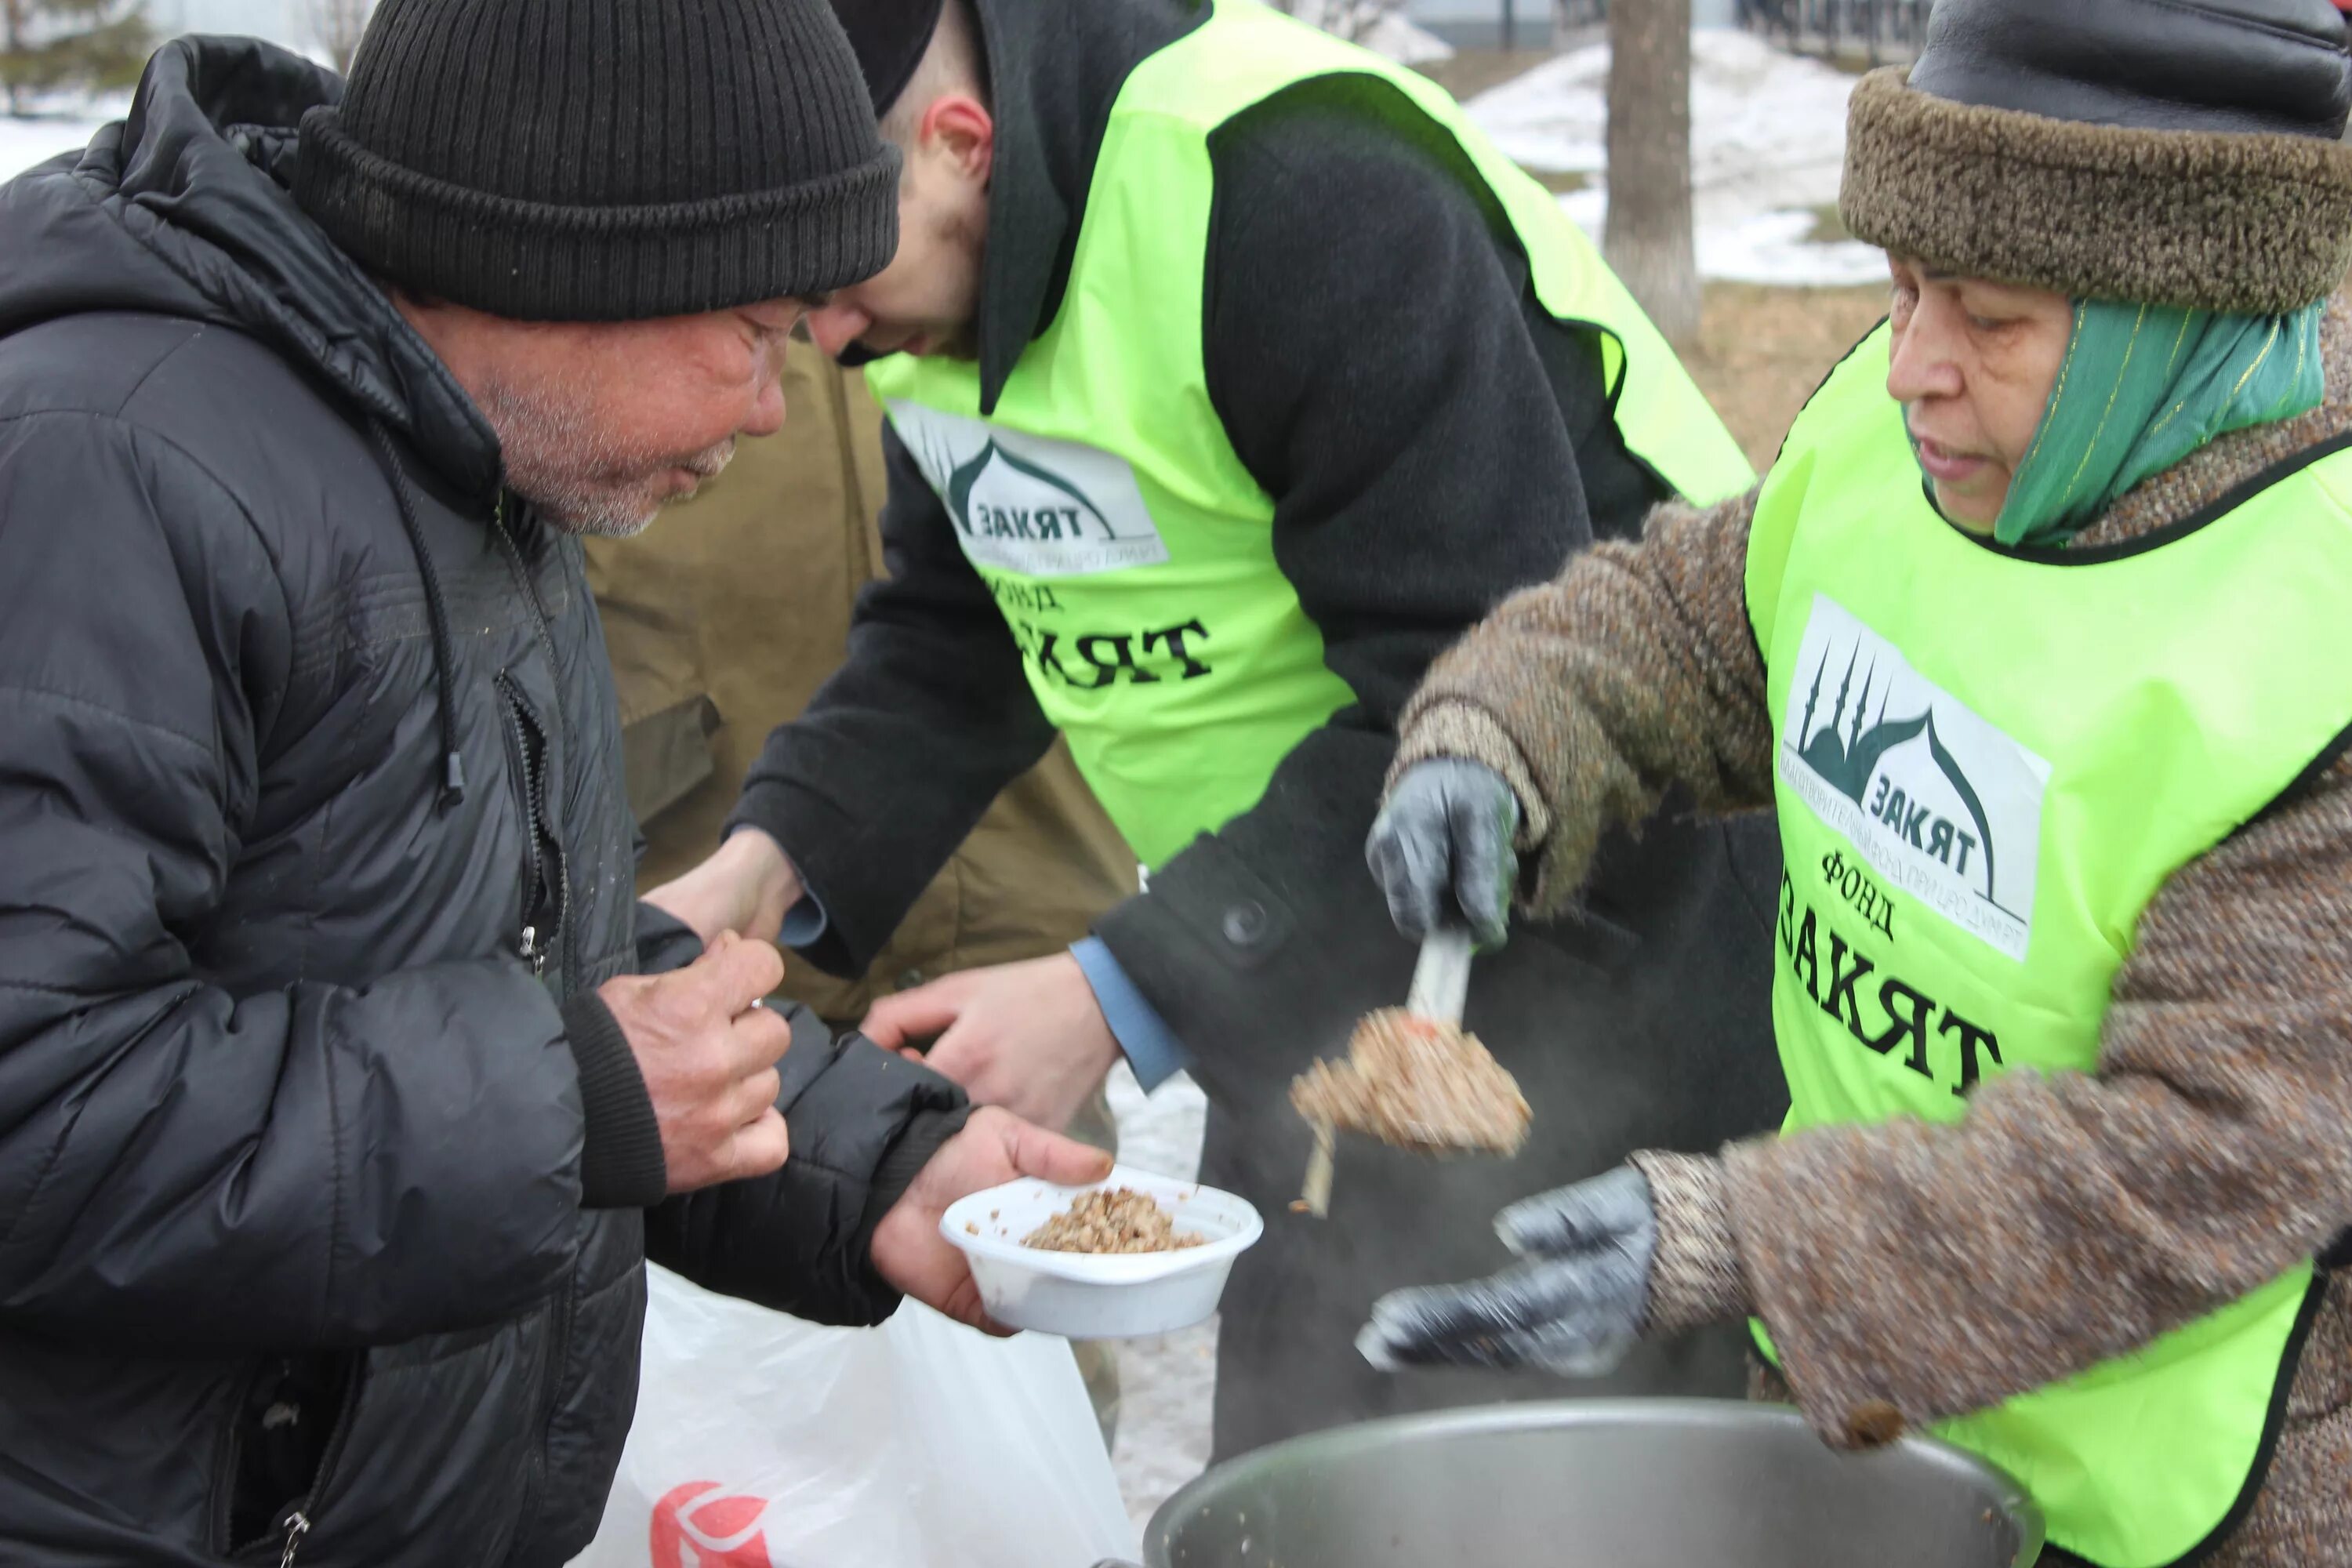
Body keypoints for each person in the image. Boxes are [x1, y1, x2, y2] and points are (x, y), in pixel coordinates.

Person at [0, 4, 1109, 1564]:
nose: (773, 408)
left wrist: (886, 1166)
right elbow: (35, 1102)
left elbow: (546, 966)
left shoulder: (479, 462)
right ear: (588, 252)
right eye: (758, 332)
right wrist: (566, 1098)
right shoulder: (108, 466)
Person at [647, 0, 1789, 1456]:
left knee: (1549, 1490)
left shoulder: (1295, 189)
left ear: (958, 144)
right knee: (1304, 1465)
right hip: (1295, 951)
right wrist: (756, 870)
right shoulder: (930, 285)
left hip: (1593, 950)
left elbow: (1474, 693)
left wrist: (1117, 992)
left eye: (827, 282)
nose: (816, 336)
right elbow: (958, 634)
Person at [1356, 2, 2352, 1562]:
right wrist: (1502, 732)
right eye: (1898, 288)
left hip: (2186, 1499)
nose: (1912, 369)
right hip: (1870, 1413)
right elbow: (1698, 618)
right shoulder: (1923, 436)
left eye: (1992, 318)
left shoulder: (2321, 621)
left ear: (2181, 314)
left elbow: (2205, 1155)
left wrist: (1754, 1236)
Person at [580, 346, 1137, 1440]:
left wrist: (1134, 981)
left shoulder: (1038, 235)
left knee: (1030, 1433)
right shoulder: (620, 242)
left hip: (1026, 963)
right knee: (719, 1453)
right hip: (708, 974)